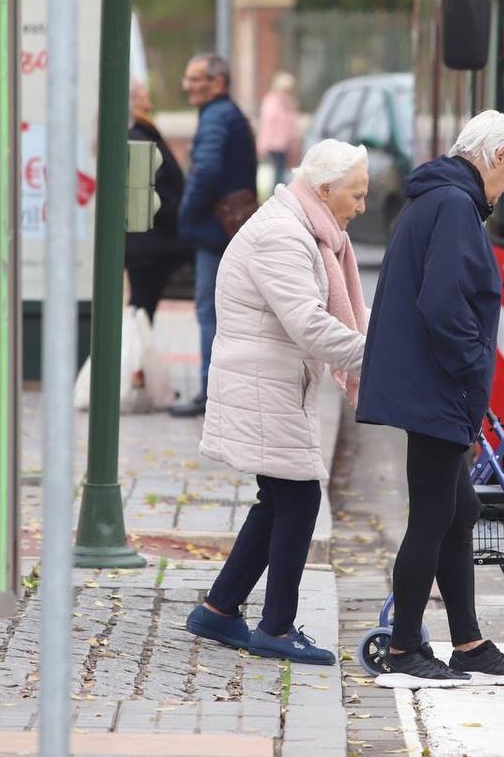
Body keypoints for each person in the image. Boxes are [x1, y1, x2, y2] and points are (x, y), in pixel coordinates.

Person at [356, 111, 504, 688]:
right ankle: (406, 646)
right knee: (436, 515)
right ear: (498, 157)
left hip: (428, 384)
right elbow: (443, 304)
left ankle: (469, 643)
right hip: (438, 386)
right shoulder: (456, 206)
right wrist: (470, 371)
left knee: (458, 513)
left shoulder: (436, 198)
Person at [186, 139, 371, 663]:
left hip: (275, 380)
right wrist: (381, 358)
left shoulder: (307, 229)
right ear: (326, 188)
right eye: (356, 196)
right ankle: (276, 628)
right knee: (298, 497)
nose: (361, 207)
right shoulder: (283, 235)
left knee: (279, 497)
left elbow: (334, 318)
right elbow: (311, 325)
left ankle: (220, 610)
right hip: (265, 382)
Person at [171, 53, 258, 417]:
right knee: (228, 311)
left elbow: (205, 171)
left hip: (215, 231)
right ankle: (226, 390)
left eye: (196, 79)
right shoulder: (226, 114)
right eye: (187, 79)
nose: (187, 85)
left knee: (209, 311)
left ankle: (210, 392)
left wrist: (185, 215)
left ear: (217, 83)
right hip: (230, 228)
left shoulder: (216, 117)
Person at [124, 80, 190, 321]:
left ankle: (134, 352)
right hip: (151, 240)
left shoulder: (142, 132)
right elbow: (156, 185)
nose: (148, 99)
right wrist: (180, 218)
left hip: (149, 241)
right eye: (143, 94)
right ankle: (131, 355)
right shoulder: (139, 136)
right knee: (141, 308)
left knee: (141, 307)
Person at [258, 71, 298, 188]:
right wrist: (262, 144)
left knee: (283, 172)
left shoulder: (290, 103)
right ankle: (275, 194)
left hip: (286, 144)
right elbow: (267, 123)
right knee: (278, 172)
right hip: (274, 144)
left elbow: (292, 125)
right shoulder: (272, 101)